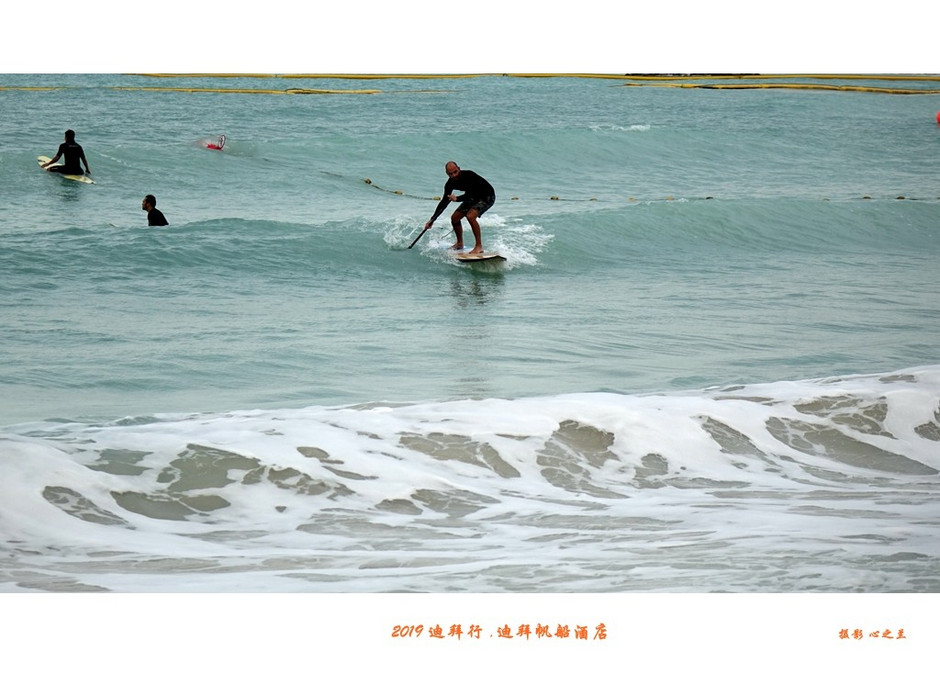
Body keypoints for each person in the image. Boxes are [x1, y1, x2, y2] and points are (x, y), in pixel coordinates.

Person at [424, 161, 495, 254]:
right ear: (447, 174)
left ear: (459, 169)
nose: (453, 175)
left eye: (455, 172)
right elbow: (444, 202)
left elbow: (471, 194)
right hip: (473, 197)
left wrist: (457, 199)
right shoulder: (449, 184)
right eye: (450, 174)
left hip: (487, 196)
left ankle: (479, 246)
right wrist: (432, 219)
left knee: (470, 216)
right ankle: (459, 243)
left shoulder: (469, 175)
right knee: (455, 218)